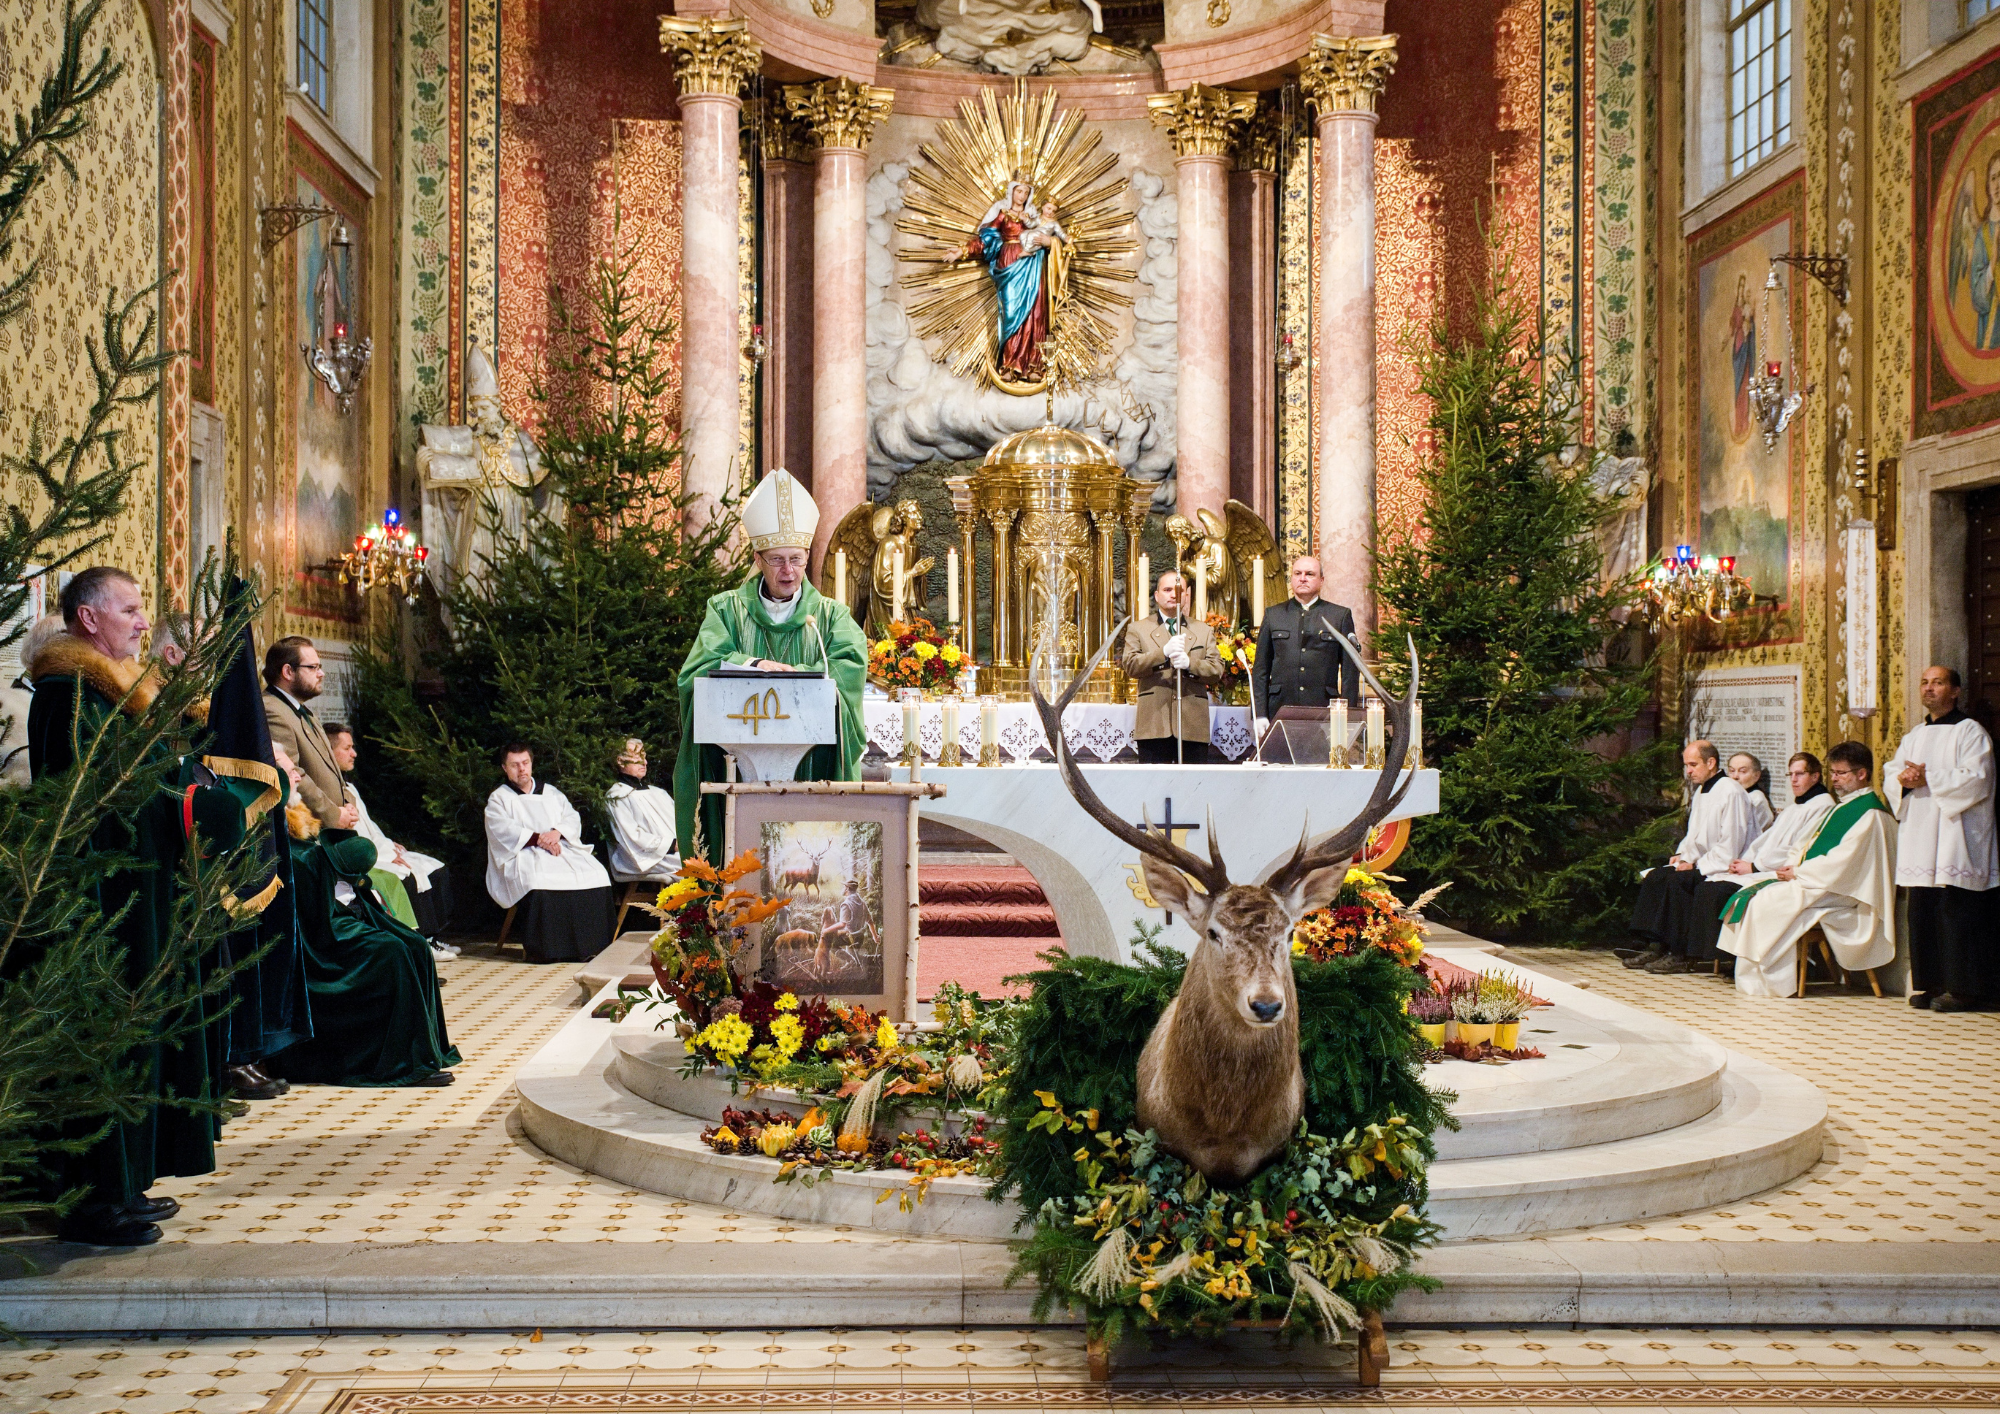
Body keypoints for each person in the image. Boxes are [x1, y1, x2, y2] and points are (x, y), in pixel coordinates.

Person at [21, 567, 234, 1246]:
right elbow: (88, 805)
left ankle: (126, 1182)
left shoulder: (112, 694)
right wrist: (188, 802)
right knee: (103, 1045)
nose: (143, 622)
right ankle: (93, 1202)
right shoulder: (65, 693)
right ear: (89, 619)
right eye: (131, 610)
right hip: (97, 904)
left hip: (136, 894)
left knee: (138, 1038)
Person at [674, 469, 869, 860]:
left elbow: (849, 663)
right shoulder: (726, 609)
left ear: (807, 557)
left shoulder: (830, 615)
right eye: (777, 560)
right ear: (757, 559)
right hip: (734, 757)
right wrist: (754, 663)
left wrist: (807, 677)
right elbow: (699, 667)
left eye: (796, 560)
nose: (788, 572)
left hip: (812, 760)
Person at [266, 752, 460, 1088]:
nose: (296, 774)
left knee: (414, 945)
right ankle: (394, 1063)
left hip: (334, 907)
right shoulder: (269, 821)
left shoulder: (299, 815)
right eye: (288, 768)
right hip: (313, 931)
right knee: (391, 953)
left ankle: (425, 1052)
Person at [1718, 741, 1897, 998]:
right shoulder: (1843, 807)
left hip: (1844, 888)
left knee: (1770, 900)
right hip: (1821, 881)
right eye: (1833, 772)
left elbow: (1844, 863)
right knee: (1757, 896)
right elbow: (1805, 843)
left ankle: (1773, 981)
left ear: (1862, 774)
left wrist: (1799, 873)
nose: (1834, 779)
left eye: (1841, 773)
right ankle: (1756, 976)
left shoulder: (1870, 814)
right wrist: (1795, 865)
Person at [1886, 665, 1999, 1011]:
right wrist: (1903, 779)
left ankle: (1963, 989)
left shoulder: (1971, 732)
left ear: (1955, 691)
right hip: (1921, 835)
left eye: (1937, 683)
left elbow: (1977, 778)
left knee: (1957, 912)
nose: (1929, 688)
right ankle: (1929, 984)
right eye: (1924, 682)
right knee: (1923, 911)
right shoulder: (1914, 735)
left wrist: (1928, 778)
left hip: (1956, 836)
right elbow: (1892, 774)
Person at [1685, 752, 1837, 973]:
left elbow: (1798, 849)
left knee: (1719, 891)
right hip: (1761, 867)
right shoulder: (1796, 806)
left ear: (1815, 776)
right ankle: (1711, 956)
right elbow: (1765, 840)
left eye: (1800, 774)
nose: (1793, 780)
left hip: (1780, 872)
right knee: (1708, 885)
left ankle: (1733, 958)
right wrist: (1745, 861)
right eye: (1790, 774)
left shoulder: (1822, 805)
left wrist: (1755, 867)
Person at [1624, 740, 1763, 972]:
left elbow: (1731, 843)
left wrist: (1696, 866)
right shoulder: (1702, 790)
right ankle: (1654, 944)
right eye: (1686, 765)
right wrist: (1682, 855)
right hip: (1701, 861)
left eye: (1693, 764)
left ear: (1711, 763)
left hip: (1725, 866)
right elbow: (1694, 835)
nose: (1688, 771)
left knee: (1680, 881)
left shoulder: (1731, 791)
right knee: (1657, 877)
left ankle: (1681, 953)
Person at [325, 723, 457, 960]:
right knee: (407, 874)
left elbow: (370, 828)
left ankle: (433, 937)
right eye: (348, 748)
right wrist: (386, 855)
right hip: (366, 858)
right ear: (329, 751)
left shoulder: (349, 787)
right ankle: (422, 941)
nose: (354, 753)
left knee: (436, 869)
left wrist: (389, 845)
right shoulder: (328, 794)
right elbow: (355, 839)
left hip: (380, 849)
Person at [485, 743, 615, 962]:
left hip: (560, 848)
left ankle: (595, 948)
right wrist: (538, 839)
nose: (522, 769)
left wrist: (557, 832)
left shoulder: (551, 792)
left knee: (595, 873)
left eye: (525, 763)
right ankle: (548, 951)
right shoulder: (500, 798)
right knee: (538, 878)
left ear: (531, 764)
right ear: (504, 768)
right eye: (515, 765)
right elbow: (501, 830)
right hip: (523, 852)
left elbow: (571, 818)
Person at [1250, 555, 1361, 739]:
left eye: (1310, 574)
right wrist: (1259, 713)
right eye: (1298, 573)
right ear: (1291, 578)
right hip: (1279, 709)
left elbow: (1350, 673)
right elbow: (1260, 670)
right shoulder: (1273, 615)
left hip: (1323, 710)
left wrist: (1347, 715)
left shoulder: (1339, 616)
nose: (1303, 578)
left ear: (1321, 580)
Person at [1118, 570, 1223, 764]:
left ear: (1186, 596)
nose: (1174, 595)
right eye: (1167, 590)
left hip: (1193, 724)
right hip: (1154, 723)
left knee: (1193, 788)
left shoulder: (1203, 630)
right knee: (1154, 788)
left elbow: (1216, 669)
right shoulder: (1138, 629)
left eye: (1179, 590)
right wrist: (1162, 654)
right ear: (1157, 596)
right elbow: (1131, 665)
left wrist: (1191, 664)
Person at [262, 636, 357, 831]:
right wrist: (333, 815)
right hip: (311, 834)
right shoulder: (271, 710)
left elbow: (333, 771)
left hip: (334, 827)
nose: (321, 673)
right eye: (313, 667)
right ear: (288, 671)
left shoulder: (303, 712)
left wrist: (349, 804)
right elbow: (293, 775)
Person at [605, 738, 679, 882]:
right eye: (637, 757)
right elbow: (632, 836)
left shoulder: (657, 792)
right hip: (643, 858)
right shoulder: (617, 796)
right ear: (620, 761)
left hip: (672, 852)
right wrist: (671, 845)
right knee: (696, 865)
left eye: (644, 757)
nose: (645, 762)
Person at [1726, 750, 1776, 833]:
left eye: (1742, 771)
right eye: (1732, 771)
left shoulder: (1756, 799)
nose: (1735, 776)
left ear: (1756, 775)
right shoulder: (1730, 794)